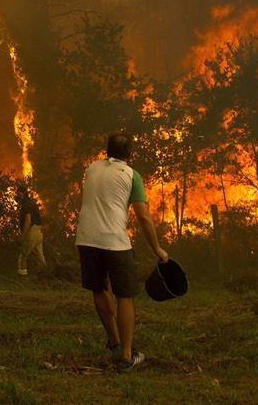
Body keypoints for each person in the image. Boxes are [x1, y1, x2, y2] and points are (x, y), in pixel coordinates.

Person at [75, 133, 169, 372]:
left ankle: (115, 342)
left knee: (99, 288)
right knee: (125, 295)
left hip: (86, 237)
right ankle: (127, 357)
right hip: (114, 242)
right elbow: (144, 217)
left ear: (106, 151)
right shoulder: (132, 175)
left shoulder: (91, 170)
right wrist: (156, 248)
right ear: (130, 154)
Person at [17, 184, 47, 276]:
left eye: (18, 194)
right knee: (40, 257)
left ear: (22, 194)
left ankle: (23, 280)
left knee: (23, 256)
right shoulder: (33, 203)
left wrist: (23, 236)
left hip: (32, 232)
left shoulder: (26, 205)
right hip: (38, 232)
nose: (17, 196)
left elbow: (28, 220)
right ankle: (46, 277)